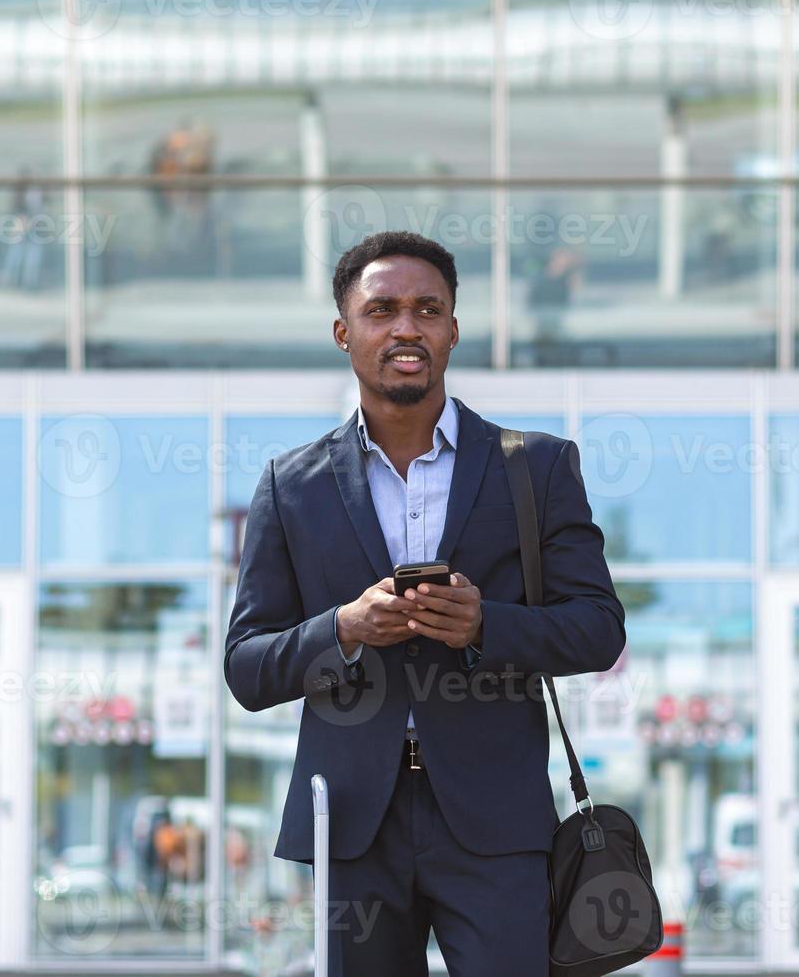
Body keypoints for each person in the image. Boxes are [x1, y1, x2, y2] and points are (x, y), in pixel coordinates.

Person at [224, 231, 626, 976]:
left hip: (497, 819)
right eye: (382, 310)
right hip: (353, 824)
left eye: (427, 309)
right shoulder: (292, 485)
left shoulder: (535, 467)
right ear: (345, 332)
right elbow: (246, 668)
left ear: (452, 331)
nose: (405, 327)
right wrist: (342, 629)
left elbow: (599, 630)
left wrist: (485, 624)